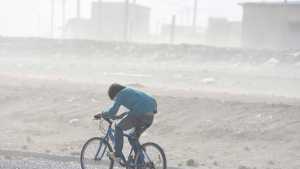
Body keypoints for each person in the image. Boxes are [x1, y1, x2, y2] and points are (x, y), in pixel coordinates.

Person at [95, 83, 157, 161]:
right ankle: (140, 161)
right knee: (132, 137)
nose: (116, 100)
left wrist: (102, 114)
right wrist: (122, 115)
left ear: (115, 93)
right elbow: (148, 104)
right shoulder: (130, 90)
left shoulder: (121, 94)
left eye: (114, 99)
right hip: (150, 116)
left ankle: (117, 154)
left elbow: (112, 112)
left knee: (118, 128)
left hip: (139, 114)